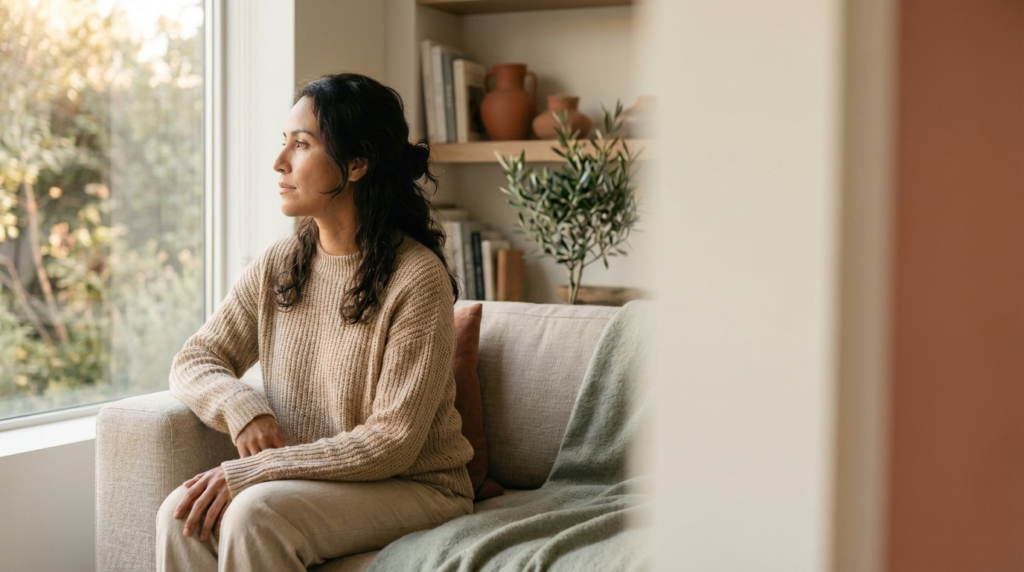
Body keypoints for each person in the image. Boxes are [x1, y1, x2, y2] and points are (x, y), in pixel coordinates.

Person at [154, 73, 474, 572]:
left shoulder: (417, 278)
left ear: (358, 163)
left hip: (417, 487)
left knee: (253, 515)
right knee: (182, 515)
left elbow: (393, 442)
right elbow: (194, 359)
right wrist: (244, 408)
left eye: (301, 145)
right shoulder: (280, 263)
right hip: (310, 483)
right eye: (284, 143)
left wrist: (258, 470)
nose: (280, 163)